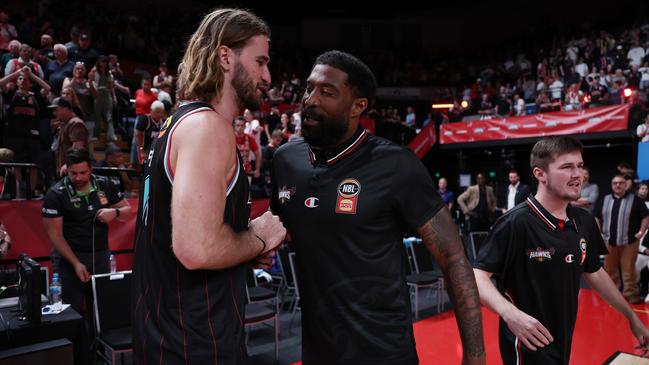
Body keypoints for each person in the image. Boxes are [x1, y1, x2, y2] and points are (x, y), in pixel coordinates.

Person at [271, 50, 485, 365]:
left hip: (384, 351)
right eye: (309, 88)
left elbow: (453, 260)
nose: (310, 100)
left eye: (327, 92)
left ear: (359, 106)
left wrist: (475, 355)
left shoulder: (396, 165)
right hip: (317, 351)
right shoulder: (285, 160)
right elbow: (276, 229)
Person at [131, 9, 286, 364]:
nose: (267, 75)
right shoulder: (208, 128)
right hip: (195, 343)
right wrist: (258, 236)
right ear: (225, 56)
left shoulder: (178, 121)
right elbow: (196, 250)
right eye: (260, 61)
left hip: (164, 335)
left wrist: (242, 247)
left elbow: (184, 236)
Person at [473, 136, 649, 364]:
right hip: (526, 342)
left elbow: (595, 272)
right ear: (540, 174)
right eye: (567, 167)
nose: (578, 174)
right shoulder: (515, 223)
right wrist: (510, 314)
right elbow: (477, 277)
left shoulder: (584, 221)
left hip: (563, 337)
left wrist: (630, 316)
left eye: (580, 166)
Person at [42, 148, 131, 314]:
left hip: (100, 256)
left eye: (83, 173)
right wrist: (76, 263)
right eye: (73, 173)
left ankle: (97, 340)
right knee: (70, 311)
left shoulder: (104, 184)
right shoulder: (55, 194)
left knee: (101, 309)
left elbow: (127, 210)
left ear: (90, 169)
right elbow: (55, 236)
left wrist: (115, 212)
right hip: (69, 259)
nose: (78, 178)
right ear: (66, 170)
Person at [595, 174, 649, 303]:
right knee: (610, 269)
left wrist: (641, 232)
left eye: (620, 183)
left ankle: (631, 295)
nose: (618, 185)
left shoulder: (635, 200)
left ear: (626, 185)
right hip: (609, 241)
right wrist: (599, 233)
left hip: (630, 242)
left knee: (629, 269)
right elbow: (596, 216)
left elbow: (646, 216)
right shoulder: (605, 199)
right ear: (612, 185)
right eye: (615, 183)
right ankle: (613, 294)